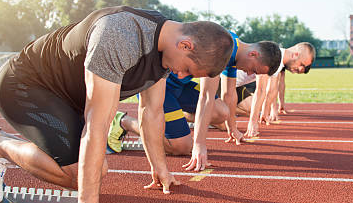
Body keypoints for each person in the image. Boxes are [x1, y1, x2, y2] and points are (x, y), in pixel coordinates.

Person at [0, 6, 233, 203]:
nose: (182, 76)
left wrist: (159, 168)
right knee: (80, 177)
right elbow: (97, 126)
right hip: (25, 86)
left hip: (68, 98)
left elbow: (151, 111)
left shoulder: (166, 50)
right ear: (185, 44)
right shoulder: (120, 35)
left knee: (96, 172)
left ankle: (5, 145)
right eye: (187, 69)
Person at [107, 34, 281, 169]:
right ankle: (123, 122)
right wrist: (199, 144)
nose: (250, 74)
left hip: (181, 86)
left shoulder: (235, 49)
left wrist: (233, 128)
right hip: (159, 84)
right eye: (254, 70)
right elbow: (205, 97)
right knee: (182, 147)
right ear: (253, 54)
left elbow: (229, 94)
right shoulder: (221, 47)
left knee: (223, 112)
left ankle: (173, 119)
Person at [238, 42, 315, 138]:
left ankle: (225, 110)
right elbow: (261, 90)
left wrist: (265, 113)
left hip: (236, 86)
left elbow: (272, 89)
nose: (300, 68)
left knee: (255, 110)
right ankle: (219, 112)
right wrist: (252, 122)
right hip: (223, 81)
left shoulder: (280, 61)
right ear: (295, 54)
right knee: (224, 117)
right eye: (302, 64)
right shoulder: (272, 56)